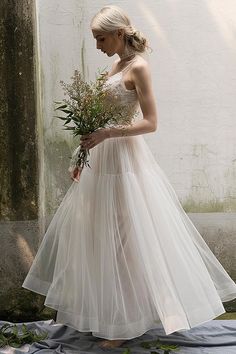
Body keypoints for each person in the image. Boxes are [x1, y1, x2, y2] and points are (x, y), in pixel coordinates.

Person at [22, 4, 236, 350]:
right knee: (101, 237)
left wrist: (107, 135)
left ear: (119, 34)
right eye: (95, 39)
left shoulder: (139, 68)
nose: (97, 45)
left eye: (101, 38)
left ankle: (126, 324)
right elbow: (100, 118)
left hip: (124, 162)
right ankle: (108, 317)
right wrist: (84, 152)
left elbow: (151, 122)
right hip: (103, 161)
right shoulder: (116, 65)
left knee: (126, 243)